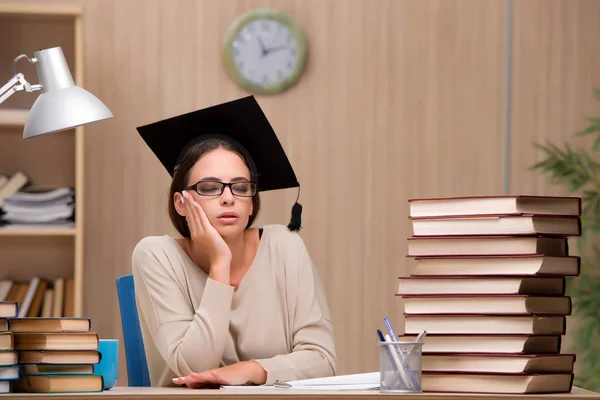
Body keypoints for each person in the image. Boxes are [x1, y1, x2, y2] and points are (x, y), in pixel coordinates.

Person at [131, 96, 337, 388]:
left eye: (241, 187)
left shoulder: (284, 245)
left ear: (251, 204)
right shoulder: (155, 254)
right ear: (180, 202)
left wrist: (251, 370)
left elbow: (322, 359)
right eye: (210, 187)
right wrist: (220, 263)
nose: (229, 197)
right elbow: (195, 366)